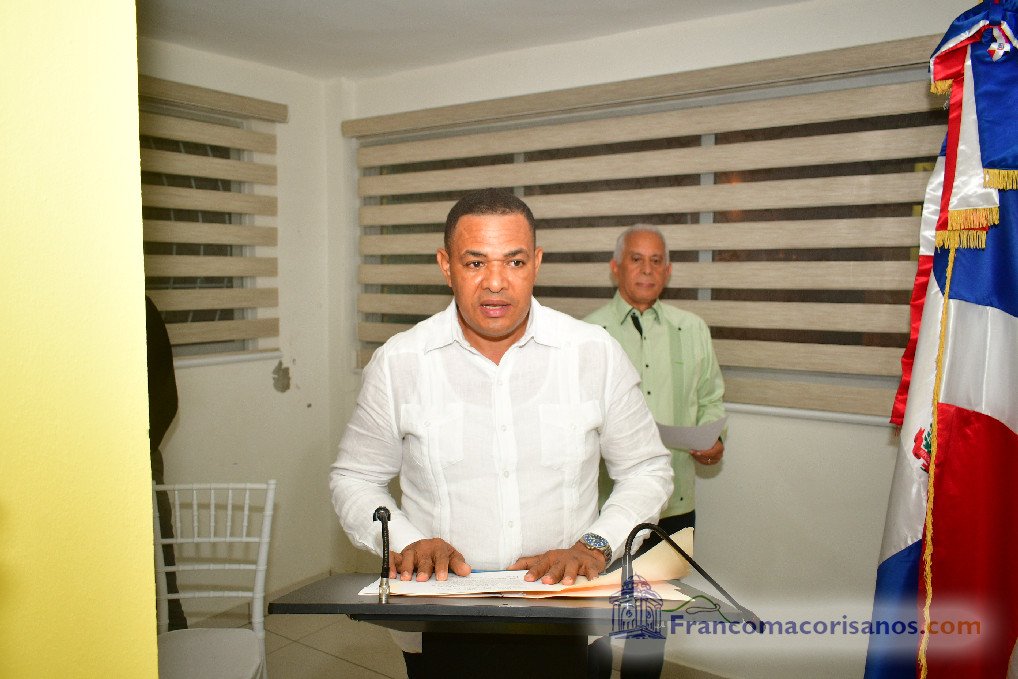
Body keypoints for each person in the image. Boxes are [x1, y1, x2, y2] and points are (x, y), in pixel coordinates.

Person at [329, 189, 673, 678]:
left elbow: (646, 469)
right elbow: (355, 478)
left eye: (514, 261)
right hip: (438, 620)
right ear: (446, 266)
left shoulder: (593, 353)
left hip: (567, 616)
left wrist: (595, 546)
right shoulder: (399, 362)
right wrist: (407, 543)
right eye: (475, 263)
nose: (495, 283)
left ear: (536, 263)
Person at [585, 226, 726, 679]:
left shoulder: (693, 329)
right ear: (615, 268)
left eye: (656, 260)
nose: (647, 269)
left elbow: (711, 400)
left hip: (672, 503)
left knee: (649, 622)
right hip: (601, 504)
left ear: (667, 270)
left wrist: (714, 440)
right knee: (593, 620)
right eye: (636, 259)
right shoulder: (587, 333)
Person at [146, 295, 187, 631]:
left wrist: (140, 446)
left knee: (160, 559)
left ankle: (175, 631)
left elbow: (166, 397)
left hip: (141, 456)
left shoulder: (141, 309)